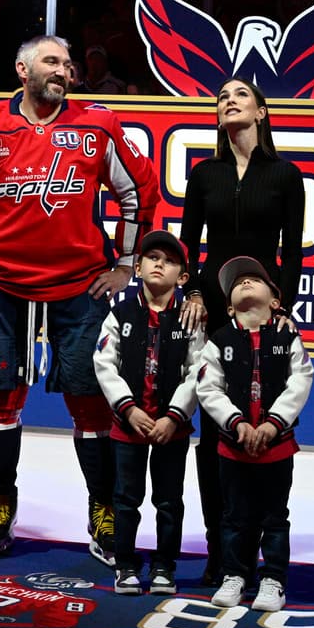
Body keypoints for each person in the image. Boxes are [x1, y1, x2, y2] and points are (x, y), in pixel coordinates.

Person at [0, 34, 158, 564]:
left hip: (81, 286)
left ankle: (102, 508)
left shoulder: (99, 125)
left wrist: (125, 264)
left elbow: (140, 190)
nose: (64, 70)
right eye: (52, 61)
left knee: (93, 403)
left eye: (69, 64)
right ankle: (1, 499)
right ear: (22, 69)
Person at [180, 77, 305, 585]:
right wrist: (191, 293)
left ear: (261, 112)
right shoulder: (204, 174)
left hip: (262, 316)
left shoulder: (285, 175)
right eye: (222, 98)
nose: (229, 102)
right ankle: (223, 552)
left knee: (263, 428)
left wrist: (283, 307)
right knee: (215, 437)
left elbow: (292, 251)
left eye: (240, 96)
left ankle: (263, 549)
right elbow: (188, 243)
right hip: (210, 311)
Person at [196, 256, 314, 612]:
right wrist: (236, 423)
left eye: (255, 279)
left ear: (276, 302)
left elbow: (301, 379)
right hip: (233, 447)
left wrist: (274, 422)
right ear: (229, 304)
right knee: (234, 515)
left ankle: (274, 579)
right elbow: (208, 388)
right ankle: (235, 574)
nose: (245, 282)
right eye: (237, 282)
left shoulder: (287, 335)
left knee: (275, 517)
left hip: (276, 447)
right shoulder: (219, 339)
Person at [93, 230, 207, 595]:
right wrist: (128, 409)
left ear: (184, 278)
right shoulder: (121, 312)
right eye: (153, 257)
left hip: (171, 429)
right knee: (126, 499)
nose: (160, 264)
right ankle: (125, 565)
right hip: (128, 427)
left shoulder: (189, 319)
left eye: (170, 261)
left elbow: (198, 369)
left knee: (169, 501)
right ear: (138, 266)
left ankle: (164, 567)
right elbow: (105, 363)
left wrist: (174, 415)